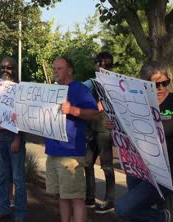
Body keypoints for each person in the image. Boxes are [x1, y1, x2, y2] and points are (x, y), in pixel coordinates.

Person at [114, 61, 173, 222]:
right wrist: (113, 125)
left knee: (123, 208)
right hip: (138, 169)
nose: (161, 88)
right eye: (155, 85)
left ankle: (161, 217)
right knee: (134, 214)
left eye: (165, 83)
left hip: (166, 173)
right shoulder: (135, 102)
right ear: (144, 83)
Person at [44, 57, 99, 222]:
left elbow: (95, 113)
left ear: (70, 70)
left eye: (59, 68)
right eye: (54, 69)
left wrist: (73, 110)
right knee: (62, 195)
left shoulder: (79, 89)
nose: (55, 72)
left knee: (76, 197)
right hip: (53, 151)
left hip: (71, 153)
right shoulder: (51, 90)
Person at [0, 56, 27, 222]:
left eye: (9, 67)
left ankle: (20, 214)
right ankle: (3, 209)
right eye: (3, 67)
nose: (5, 70)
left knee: (18, 178)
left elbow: (23, 117)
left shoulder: (20, 89)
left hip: (14, 138)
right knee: (3, 176)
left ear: (15, 69)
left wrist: (17, 139)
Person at [83, 52, 116, 214]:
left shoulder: (116, 83)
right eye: (100, 64)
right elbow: (78, 90)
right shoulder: (92, 82)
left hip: (104, 131)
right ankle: (89, 197)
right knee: (87, 163)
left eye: (106, 65)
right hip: (92, 129)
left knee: (107, 167)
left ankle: (110, 201)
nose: (102, 67)